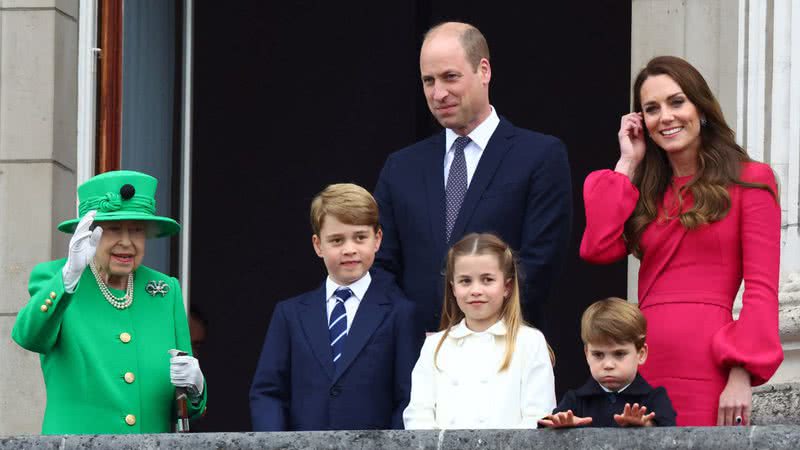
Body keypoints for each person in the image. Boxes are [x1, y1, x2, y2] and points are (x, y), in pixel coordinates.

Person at [580, 56, 783, 426]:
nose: (666, 117)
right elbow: (597, 247)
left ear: (700, 107)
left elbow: (761, 290)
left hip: (709, 364)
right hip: (643, 361)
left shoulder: (751, 180)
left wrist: (741, 374)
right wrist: (627, 163)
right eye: (651, 109)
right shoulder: (646, 190)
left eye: (677, 102)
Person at [373, 21, 572, 334]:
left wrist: (475, 330)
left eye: (450, 77)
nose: (439, 93)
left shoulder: (539, 156)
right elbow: (381, 264)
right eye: (428, 81)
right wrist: (412, 330)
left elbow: (540, 264)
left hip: (504, 351)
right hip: (418, 354)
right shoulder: (401, 167)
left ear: (484, 71)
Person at [11, 170, 207, 434]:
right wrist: (68, 277)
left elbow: (183, 407)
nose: (126, 242)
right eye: (113, 229)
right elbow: (29, 336)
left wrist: (196, 389)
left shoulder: (164, 290)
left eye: (137, 230)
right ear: (89, 232)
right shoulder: (57, 279)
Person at [249, 183, 421, 431]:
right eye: (337, 240)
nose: (350, 249)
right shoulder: (290, 314)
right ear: (318, 245)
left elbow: (408, 399)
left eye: (360, 237)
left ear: (378, 239)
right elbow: (268, 393)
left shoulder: (401, 313)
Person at [403, 233, 555, 429]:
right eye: (465, 281)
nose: (476, 290)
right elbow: (418, 415)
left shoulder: (529, 342)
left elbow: (537, 417)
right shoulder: (434, 346)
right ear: (453, 288)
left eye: (487, 280)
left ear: (507, 286)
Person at [539, 298, 676, 428]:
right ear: (587, 354)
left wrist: (646, 425)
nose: (608, 365)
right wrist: (560, 428)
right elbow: (539, 438)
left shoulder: (655, 398)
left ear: (641, 354)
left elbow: (675, 439)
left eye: (619, 354)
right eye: (598, 355)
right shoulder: (574, 400)